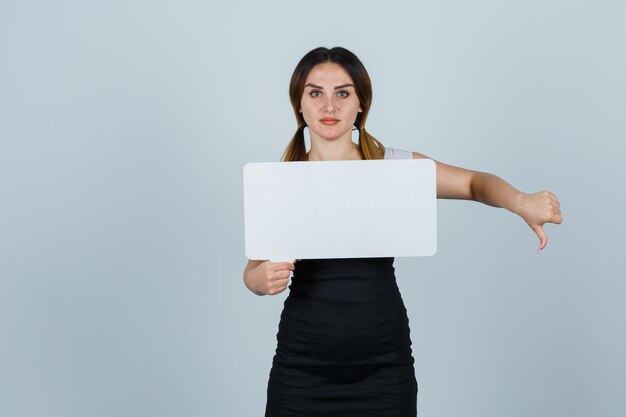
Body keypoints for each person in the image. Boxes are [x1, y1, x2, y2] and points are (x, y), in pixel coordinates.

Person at [243, 46, 562, 417]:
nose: (329, 106)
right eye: (315, 93)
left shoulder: (395, 168)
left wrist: (519, 201)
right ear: (299, 104)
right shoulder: (278, 182)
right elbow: (252, 272)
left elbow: (474, 183)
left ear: (361, 102)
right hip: (301, 371)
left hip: (383, 371)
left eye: (342, 93)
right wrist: (259, 280)